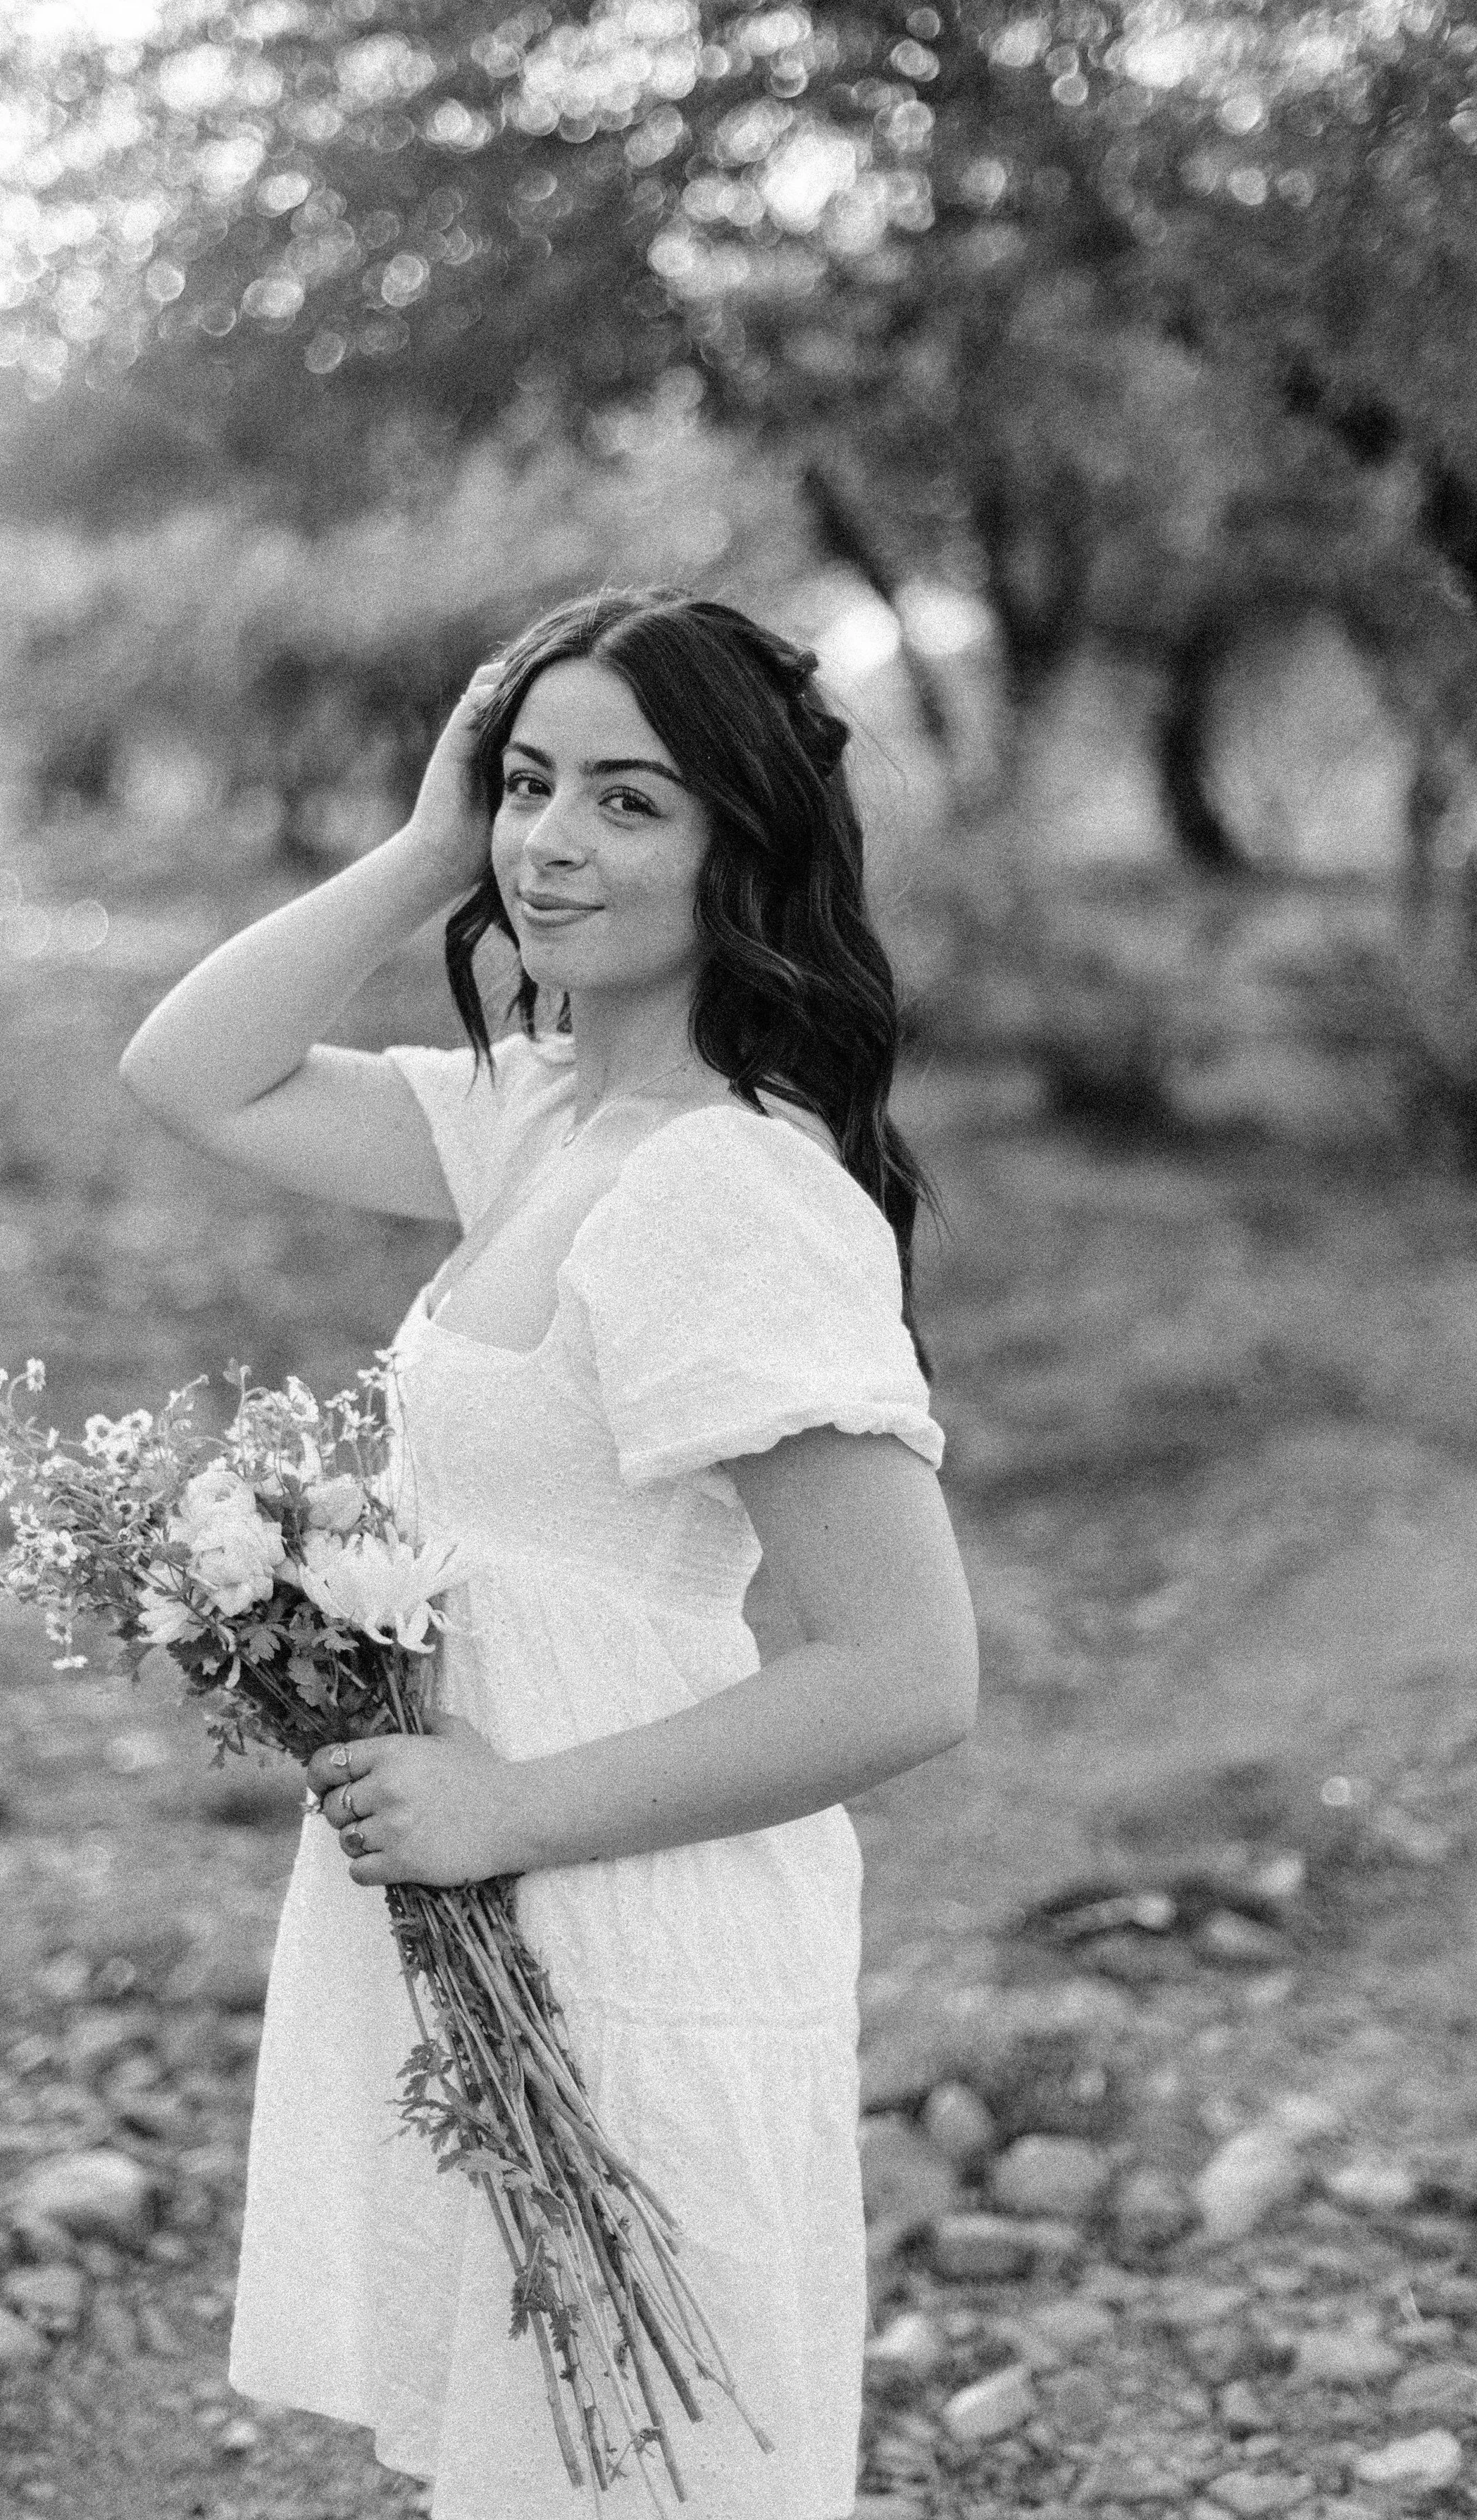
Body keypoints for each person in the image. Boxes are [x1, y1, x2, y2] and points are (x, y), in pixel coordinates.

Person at [116, 588, 978, 2520]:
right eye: (529, 786)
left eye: (629, 801)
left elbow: (911, 1671)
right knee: (536, 2461)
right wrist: (425, 845)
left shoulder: (730, 1192)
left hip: (631, 1908)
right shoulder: (548, 1112)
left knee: (664, 2468)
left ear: (740, 844)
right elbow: (190, 1073)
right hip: (496, 1902)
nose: (553, 841)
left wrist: (510, 1806)